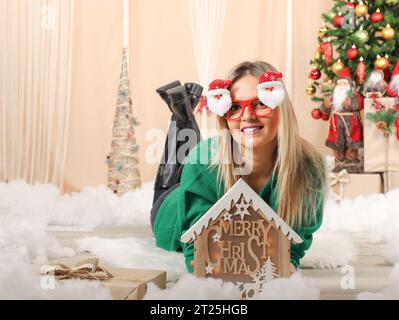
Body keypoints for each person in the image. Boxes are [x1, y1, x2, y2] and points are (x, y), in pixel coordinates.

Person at [151, 61, 327, 274]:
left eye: (261, 103)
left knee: (195, 153)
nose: (247, 116)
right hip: (172, 206)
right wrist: (199, 260)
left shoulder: (309, 166)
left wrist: (288, 261)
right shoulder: (203, 160)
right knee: (181, 160)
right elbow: (197, 242)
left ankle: (186, 111)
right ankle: (182, 116)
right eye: (234, 107)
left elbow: (296, 239)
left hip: (202, 174)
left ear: (281, 107)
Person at [321, 76, 363, 173]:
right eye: (339, 84)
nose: (341, 86)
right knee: (337, 146)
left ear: (350, 85)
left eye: (344, 83)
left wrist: (351, 103)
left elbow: (360, 103)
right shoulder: (332, 96)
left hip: (352, 124)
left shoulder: (354, 95)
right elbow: (325, 109)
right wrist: (326, 105)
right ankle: (340, 163)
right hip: (336, 123)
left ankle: (352, 164)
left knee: (352, 145)